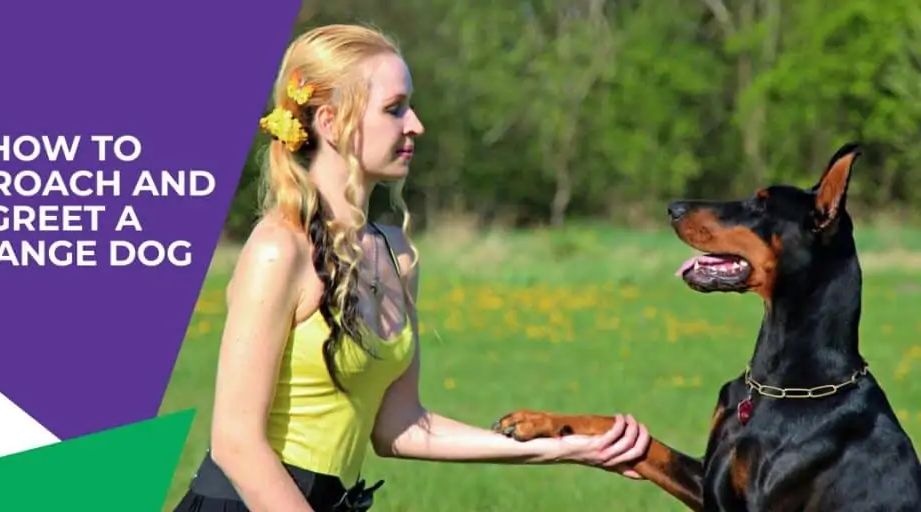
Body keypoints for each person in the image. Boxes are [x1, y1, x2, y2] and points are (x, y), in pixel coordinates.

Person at [174, 23, 652, 512]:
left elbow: (398, 425)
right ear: (331, 123)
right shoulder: (279, 250)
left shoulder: (396, 254)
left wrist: (563, 449)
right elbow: (236, 443)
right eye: (394, 109)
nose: (416, 125)